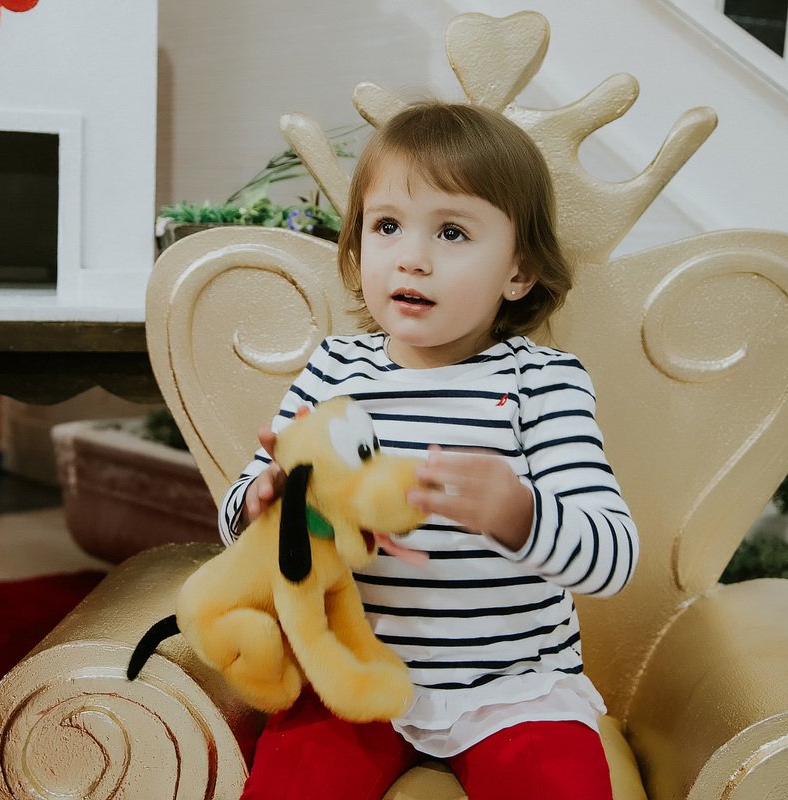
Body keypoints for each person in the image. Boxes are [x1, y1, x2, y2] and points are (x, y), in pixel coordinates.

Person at [218, 101, 639, 800]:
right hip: (354, 671)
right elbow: (238, 512)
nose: (411, 256)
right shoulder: (334, 370)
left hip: (514, 687)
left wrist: (520, 514)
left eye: (451, 232)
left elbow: (613, 557)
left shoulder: (541, 382)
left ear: (519, 271)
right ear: (359, 247)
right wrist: (264, 503)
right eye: (387, 227)